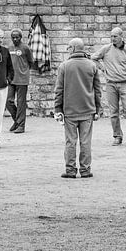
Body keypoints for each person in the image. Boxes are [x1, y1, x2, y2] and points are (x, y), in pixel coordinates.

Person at [54, 38, 102, 178]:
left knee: (70, 141)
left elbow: (59, 90)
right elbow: (97, 90)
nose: (67, 49)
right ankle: (85, 170)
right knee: (85, 141)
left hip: (70, 111)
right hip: (87, 110)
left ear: (74, 48)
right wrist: (97, 109)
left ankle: (70, 170)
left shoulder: (64, 66)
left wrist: (58, 109)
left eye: (69, 47)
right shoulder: (92, 66)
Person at [91, 26, 126, 147]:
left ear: (121, 36)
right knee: (114, 112)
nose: (113, 39)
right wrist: (103, 68)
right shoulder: (106, 49)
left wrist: (125, 76)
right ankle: (117, 136)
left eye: (115, 36)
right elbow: (93, 58)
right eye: (111, 36)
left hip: (125, 84)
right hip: (111, 84)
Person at [7, 28, 33, 134]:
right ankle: (17, 121)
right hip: (11, 79)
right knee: (8, 101)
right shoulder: (9, 47)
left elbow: (31, 62)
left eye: (17, 37)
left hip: (22, 79)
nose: (15, 39)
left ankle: (21, 126)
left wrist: (23, 71)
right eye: (13, 37)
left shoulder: (25, 48)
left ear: (21, 37)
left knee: (21, 103)